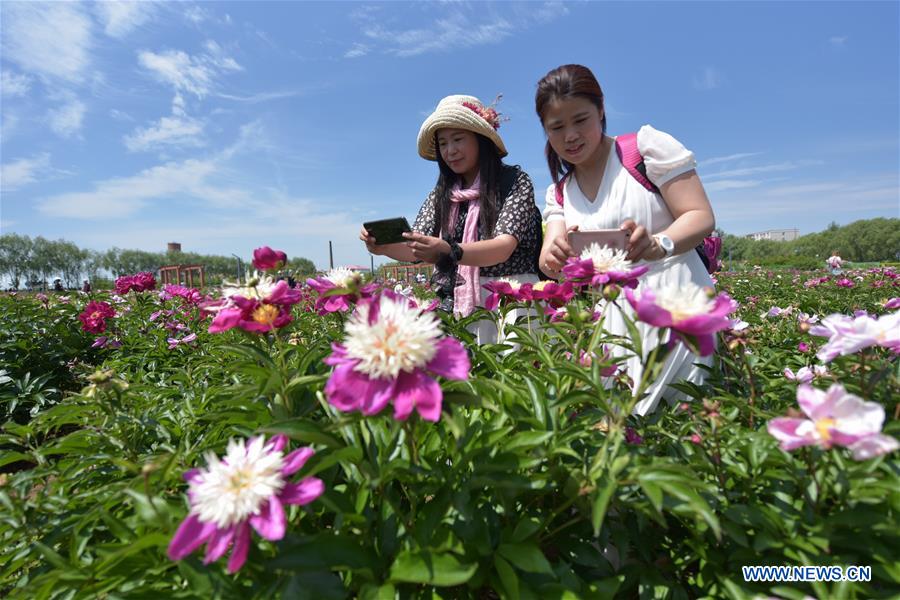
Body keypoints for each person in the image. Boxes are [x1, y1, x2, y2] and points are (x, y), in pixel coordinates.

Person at [536, 64, 716, 415]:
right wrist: (556, 256)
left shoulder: (644, 149)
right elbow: (549, 260)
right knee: (622, 426)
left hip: (678, 306)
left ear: (601, 110)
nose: (570, 135)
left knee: (685, 420)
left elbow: (700, 216)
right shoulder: (559, 192)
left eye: (580, 120)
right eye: (556, 127)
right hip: (614, 322)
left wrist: (658, 243)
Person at [360, 94, 542, 343]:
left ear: (481, 140)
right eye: (443, 143)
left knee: (513, 374)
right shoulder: (441, 194)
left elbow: (503, 247)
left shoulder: (514, 181)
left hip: (511, 301)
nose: (450, 150)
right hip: (457, 301)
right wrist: (383, 247)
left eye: (458, 139)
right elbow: (417, 248)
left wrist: (451, 250)